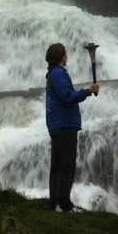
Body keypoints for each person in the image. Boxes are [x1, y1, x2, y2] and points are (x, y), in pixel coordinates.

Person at [45, 43, 99, 213]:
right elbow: (68, 97)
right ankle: (64, 204)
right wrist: (88, 91)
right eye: (65, 54)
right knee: (66, 165)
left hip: (58, 124)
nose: (67, 56)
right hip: (64, 124)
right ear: (61, 56)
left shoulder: (53, 74)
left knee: (58, 165)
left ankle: (55, 203)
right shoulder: (59, 74)